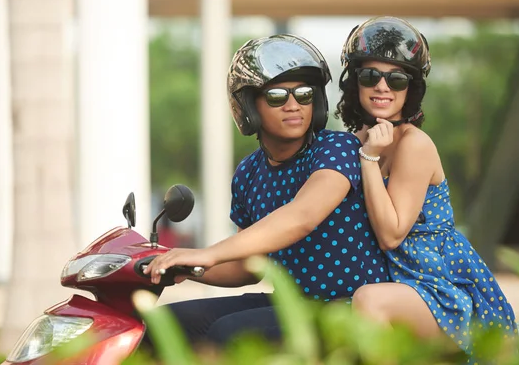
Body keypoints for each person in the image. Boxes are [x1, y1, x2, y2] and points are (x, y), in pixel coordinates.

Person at [143, 34, 389, 347]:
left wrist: (207, 253)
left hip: (346, 306)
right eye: (276, 96)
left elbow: (302, 215)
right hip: (291, 305)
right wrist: (178, 264)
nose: (293, 106)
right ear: (248, 105)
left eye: (303, 94)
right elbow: (247, 266)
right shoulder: (248, 172)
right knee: (160, 324)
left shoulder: (336, 148)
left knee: (230, 333)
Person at [335, 16, 519, 358]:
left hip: (445, 291)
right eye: (370, 76)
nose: (382, 87)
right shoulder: (356, 142)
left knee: (368, 302)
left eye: (397, 79)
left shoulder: (412, 145)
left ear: (411, 88)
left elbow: (391, 235)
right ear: (355, 83)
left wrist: (369, 159)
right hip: (400, 283)